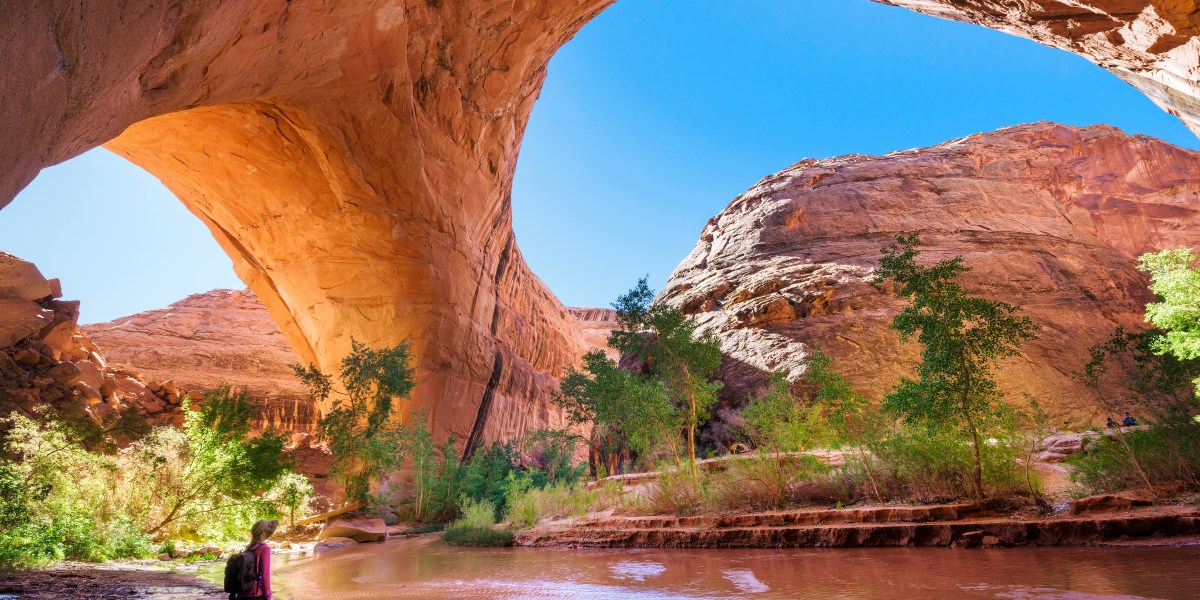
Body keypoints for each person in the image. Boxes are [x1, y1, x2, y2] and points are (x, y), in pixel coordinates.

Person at [235, 519, 277, 600]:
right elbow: (265, 576)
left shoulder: (248, 548)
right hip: (255, 594)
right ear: (265, 533)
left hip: (241, 594)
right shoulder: (264, 549)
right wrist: (268, 596)